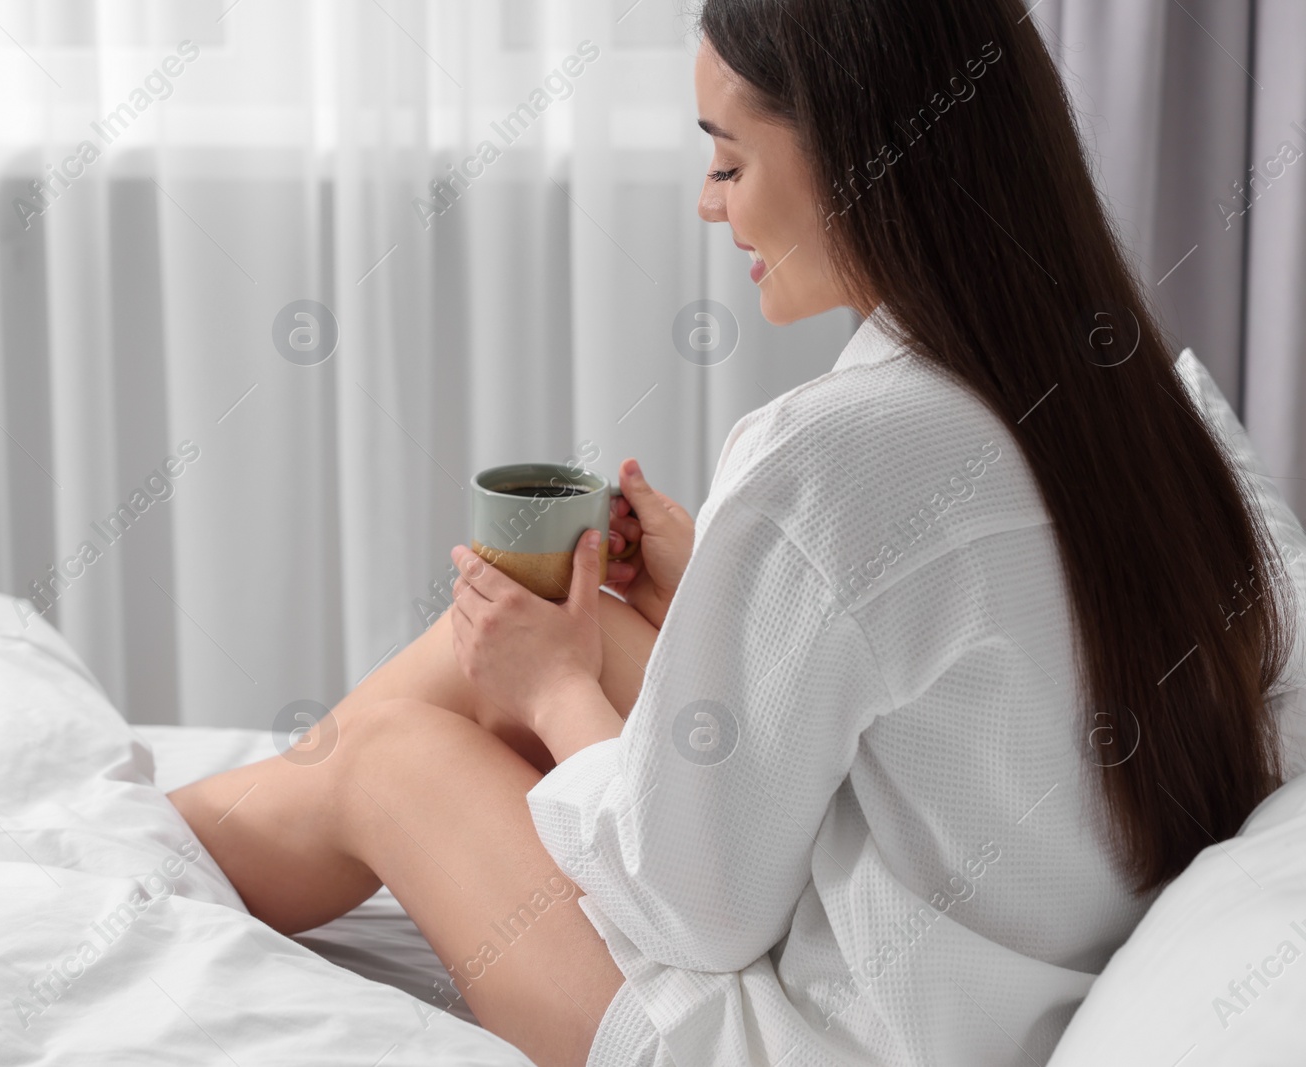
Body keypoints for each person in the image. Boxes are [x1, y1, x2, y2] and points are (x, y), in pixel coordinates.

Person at [170, 1, 1306, 1063]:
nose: (709, 203)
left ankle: (135, 855)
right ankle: (163, 834)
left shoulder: (831, 452)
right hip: (1007, 978)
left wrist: (557, 692)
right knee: (561, 627)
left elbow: (691, 906)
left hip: (807, 1038)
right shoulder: (1139, 402)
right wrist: (716, 589)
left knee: (390, 754)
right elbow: (977, 686)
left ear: (867, 161)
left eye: (727, 160)